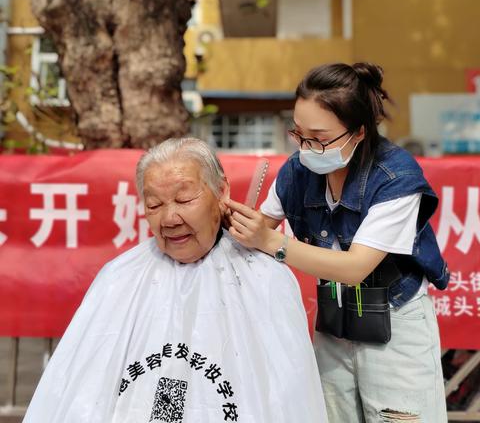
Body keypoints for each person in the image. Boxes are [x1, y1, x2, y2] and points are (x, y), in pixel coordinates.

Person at [23, 137, 327, 423]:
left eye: (184, 199)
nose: (169, 219)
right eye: (154, 205)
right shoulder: (120, 277)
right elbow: (79, 393)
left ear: (222, 192)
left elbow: (287, 396)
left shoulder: (263, 275)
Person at [226, 63, 449, 422]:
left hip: (394, 320)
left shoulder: (397, 177)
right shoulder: (297, 170)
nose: (307, 147)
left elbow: (355, 268)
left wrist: (271, 241)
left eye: (320, 136)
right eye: (298, 134)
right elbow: (256, 230)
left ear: (359, 132)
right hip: (334, 321)